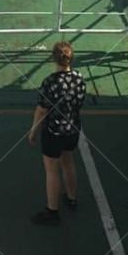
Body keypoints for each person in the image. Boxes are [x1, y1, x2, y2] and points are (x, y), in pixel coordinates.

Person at [28, 40, 86, 225]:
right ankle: (71, 198)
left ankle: (52, 211)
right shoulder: (79, 79)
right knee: (68, 163)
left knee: (52, 170)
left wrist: (33, 131)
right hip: (72, 130)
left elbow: (42, 110)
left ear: (54, 59)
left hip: (54, 132)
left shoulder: (50, 82)